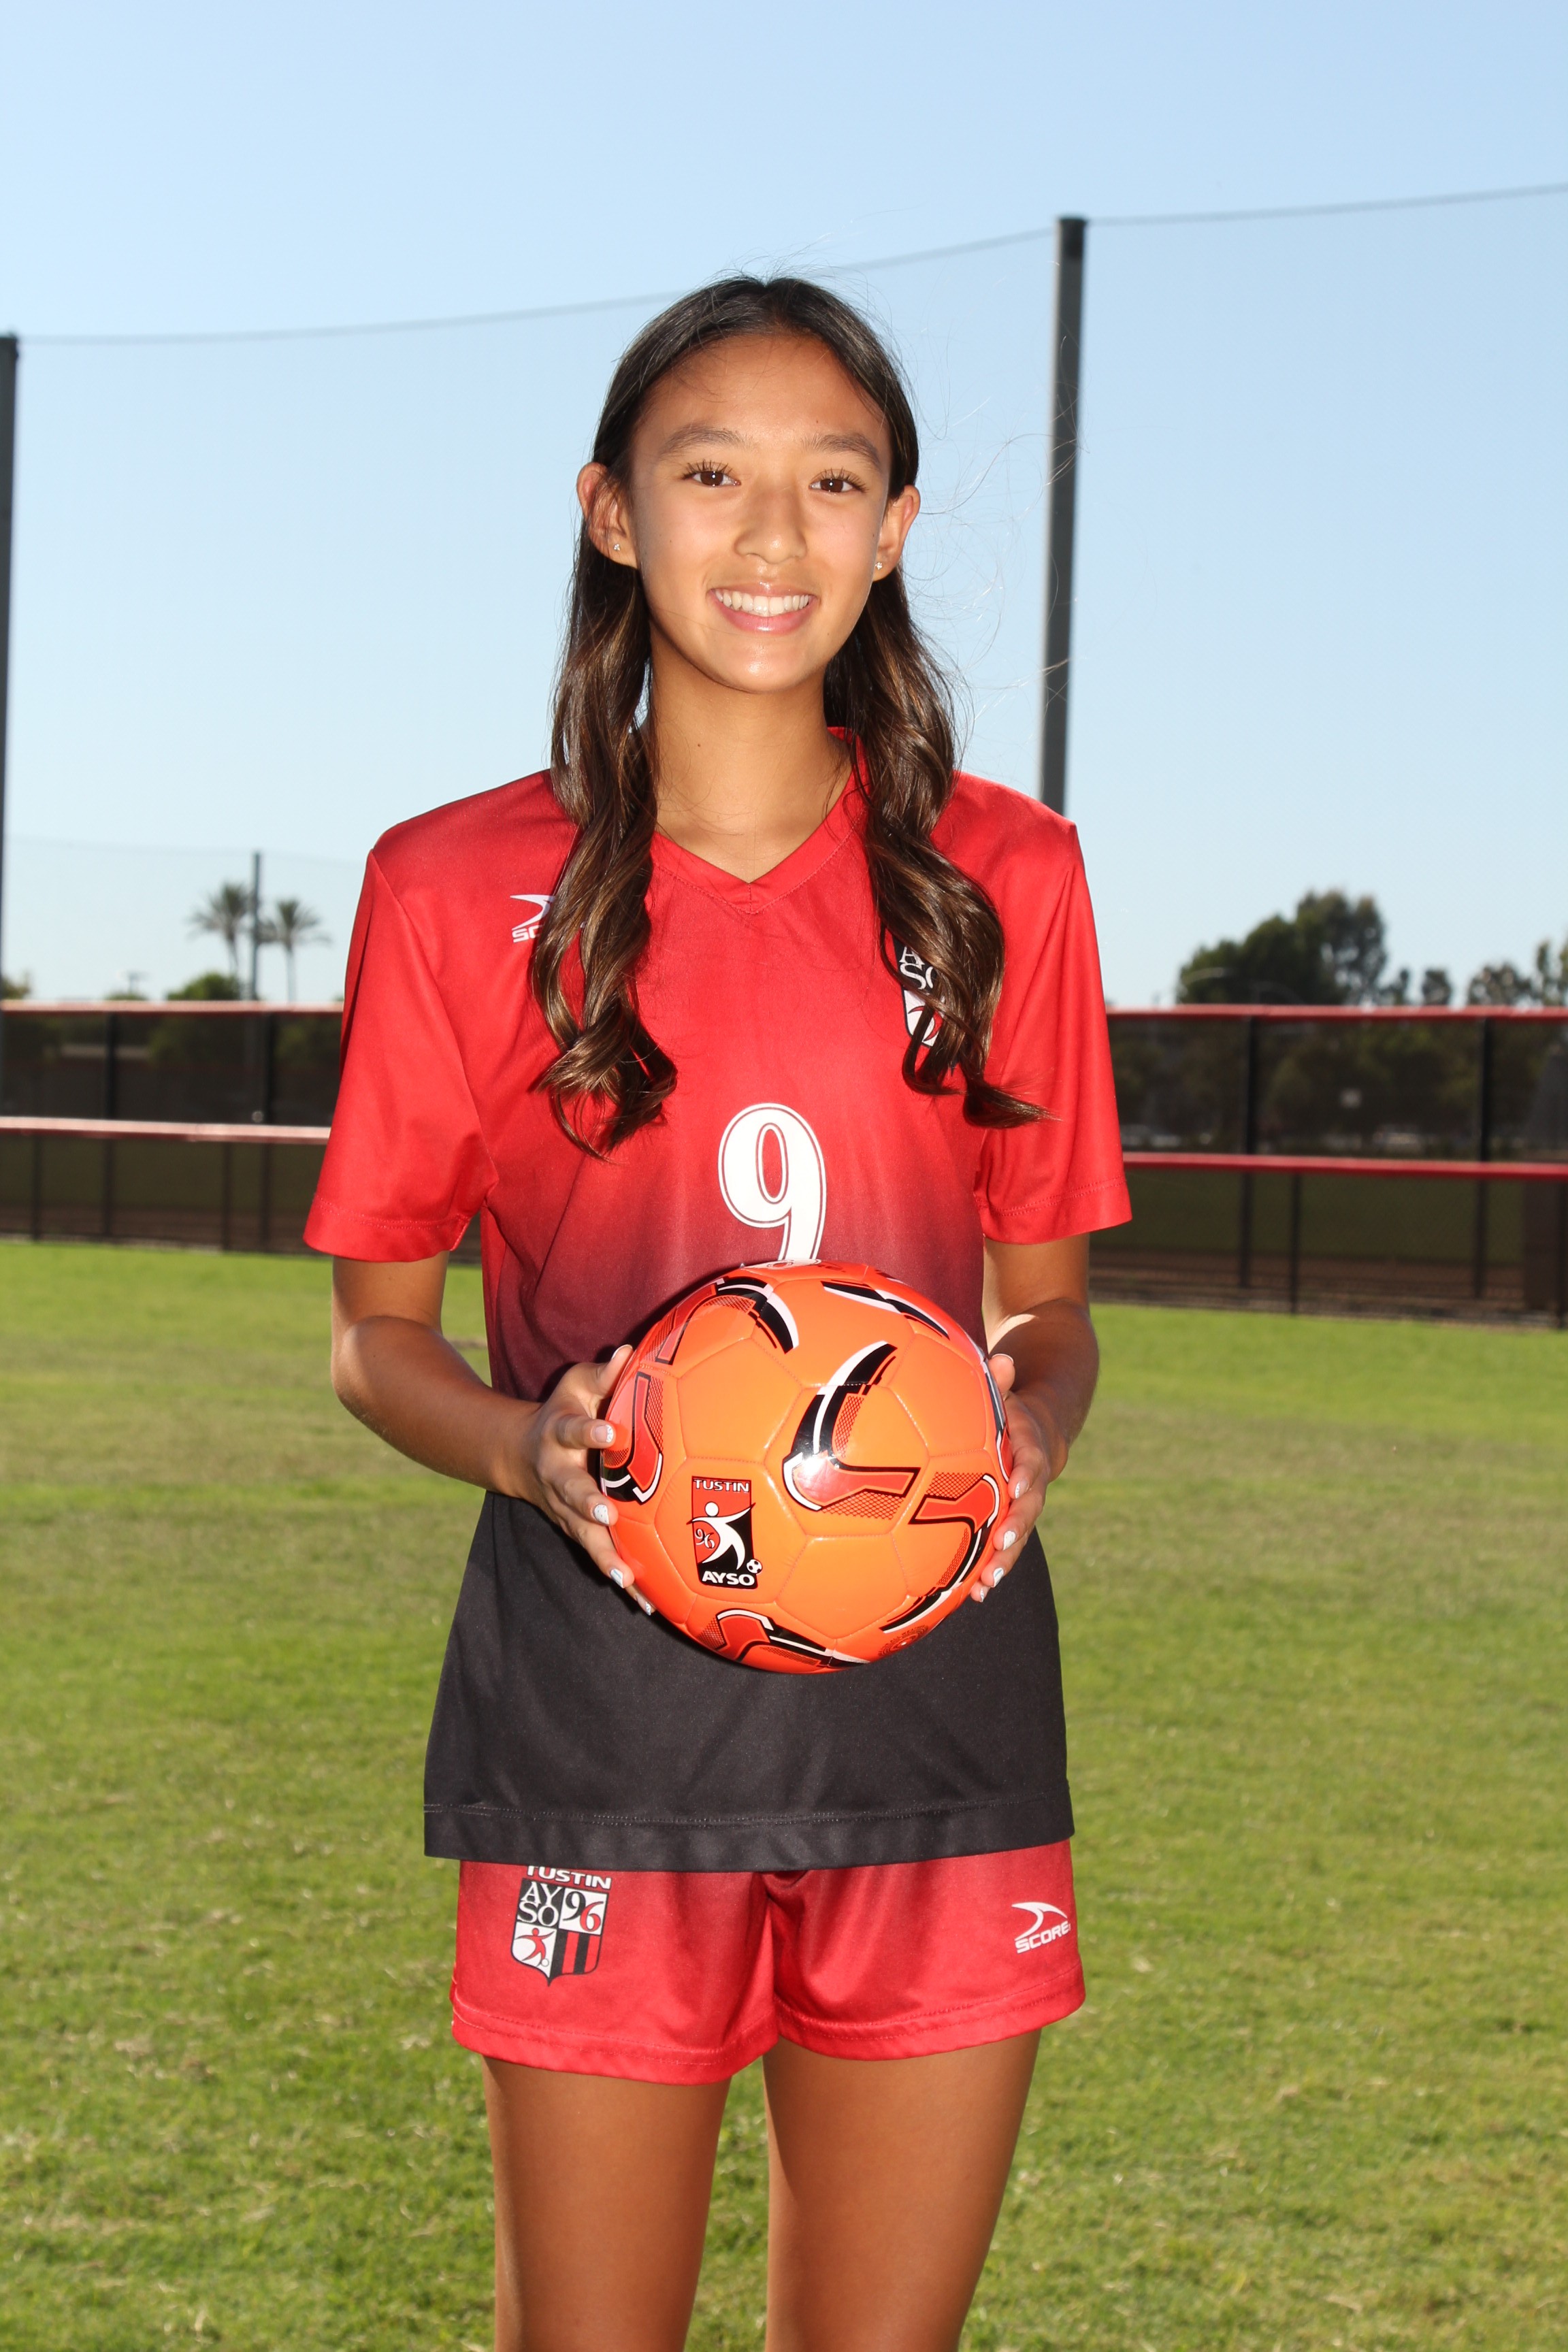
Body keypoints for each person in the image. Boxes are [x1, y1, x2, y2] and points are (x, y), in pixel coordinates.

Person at [306, 276, 1130, 2352]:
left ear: (897, 529)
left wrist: (1028, 1427)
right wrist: (530, 1449)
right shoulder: (450, 889)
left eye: (832, 483)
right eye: (709, 476)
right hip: (603, 1737)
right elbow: (373, 1337)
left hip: (935, 1727)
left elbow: (1049, 1310)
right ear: (610, 510)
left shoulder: (1009, 879)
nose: (772, 536)